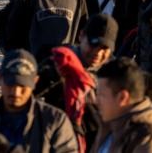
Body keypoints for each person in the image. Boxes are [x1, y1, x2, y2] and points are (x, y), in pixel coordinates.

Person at [34, 14, 118, 150]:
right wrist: (54, 78)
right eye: (94, 43)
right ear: (81, 36)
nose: (98, 53)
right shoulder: (57, 63)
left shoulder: (115, 72)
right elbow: (27, 98)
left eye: (104, 48)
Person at [0, 49, 77, 153]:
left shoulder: (55, 120)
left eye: (23, 86)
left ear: (35, 81)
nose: (16, 92)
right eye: (10, 84)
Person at [94, 57, 152, 153]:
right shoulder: (112, 126)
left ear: (122, 97)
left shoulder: (149, 143)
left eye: (101, 95)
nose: (96, 101)